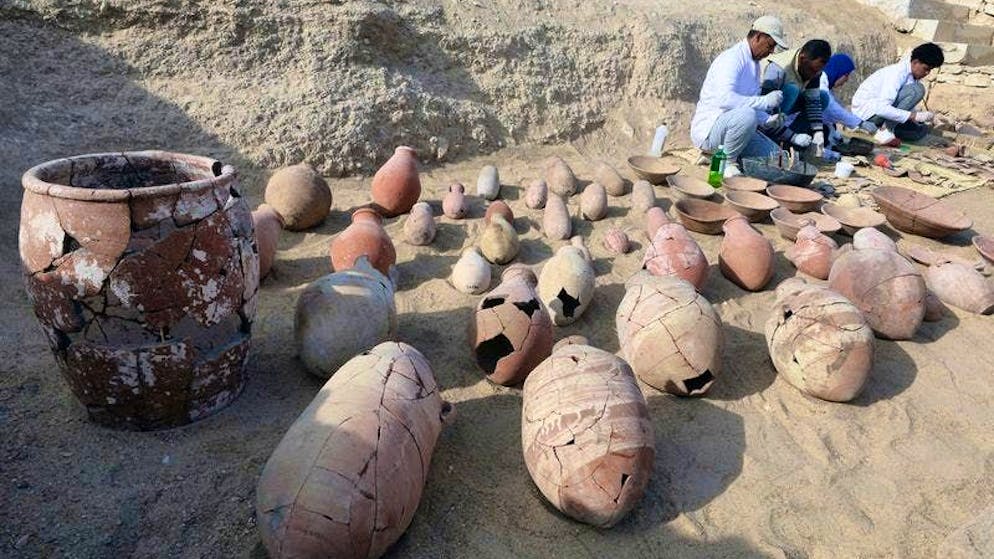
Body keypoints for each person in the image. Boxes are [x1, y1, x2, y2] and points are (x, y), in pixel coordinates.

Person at [690, 16, 786, 178]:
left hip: (735, 128)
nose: (771, 51)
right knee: (747, 115)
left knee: (778, 158)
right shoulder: (731, 59)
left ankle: (725, 157)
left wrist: (767, 119)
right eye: (770, 45)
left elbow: (749, 102)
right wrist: (764, 101)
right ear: (758, 37)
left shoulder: (754, 65)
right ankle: (727, 163)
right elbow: (725, 99)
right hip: (710, 131)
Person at [851, 42, 944, 144]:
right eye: (925, 69)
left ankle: (884, 129)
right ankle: (886, 131)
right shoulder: (897, 73)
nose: (927, 73)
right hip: (868, 116)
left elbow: (903, 105)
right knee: (917, 90)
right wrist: (914, 116)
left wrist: (918, 118)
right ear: (915, 62)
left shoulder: (911, 76)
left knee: (918, 132)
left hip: (883, 116)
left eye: (929, 70)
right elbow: (882, 108)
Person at [758, 39, 832, 156]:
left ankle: (789, 143)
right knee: (792, 90)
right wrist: (792, 136)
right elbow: (765, 110)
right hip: (763, 111)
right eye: (812, 70)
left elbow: (813, 103)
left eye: (817, 72)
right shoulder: (778, 67)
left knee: (822, 98)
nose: (814, 75)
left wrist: (818, 133)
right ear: (802, 59)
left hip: (784, 107)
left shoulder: (814, 71)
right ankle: (776, 138)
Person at [819, 53, 878, 147]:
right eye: (846, 75)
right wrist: (860, 123)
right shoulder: (820, 80)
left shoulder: (826, 84)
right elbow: (831, 108)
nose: (846, 80)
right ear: (838, 71)